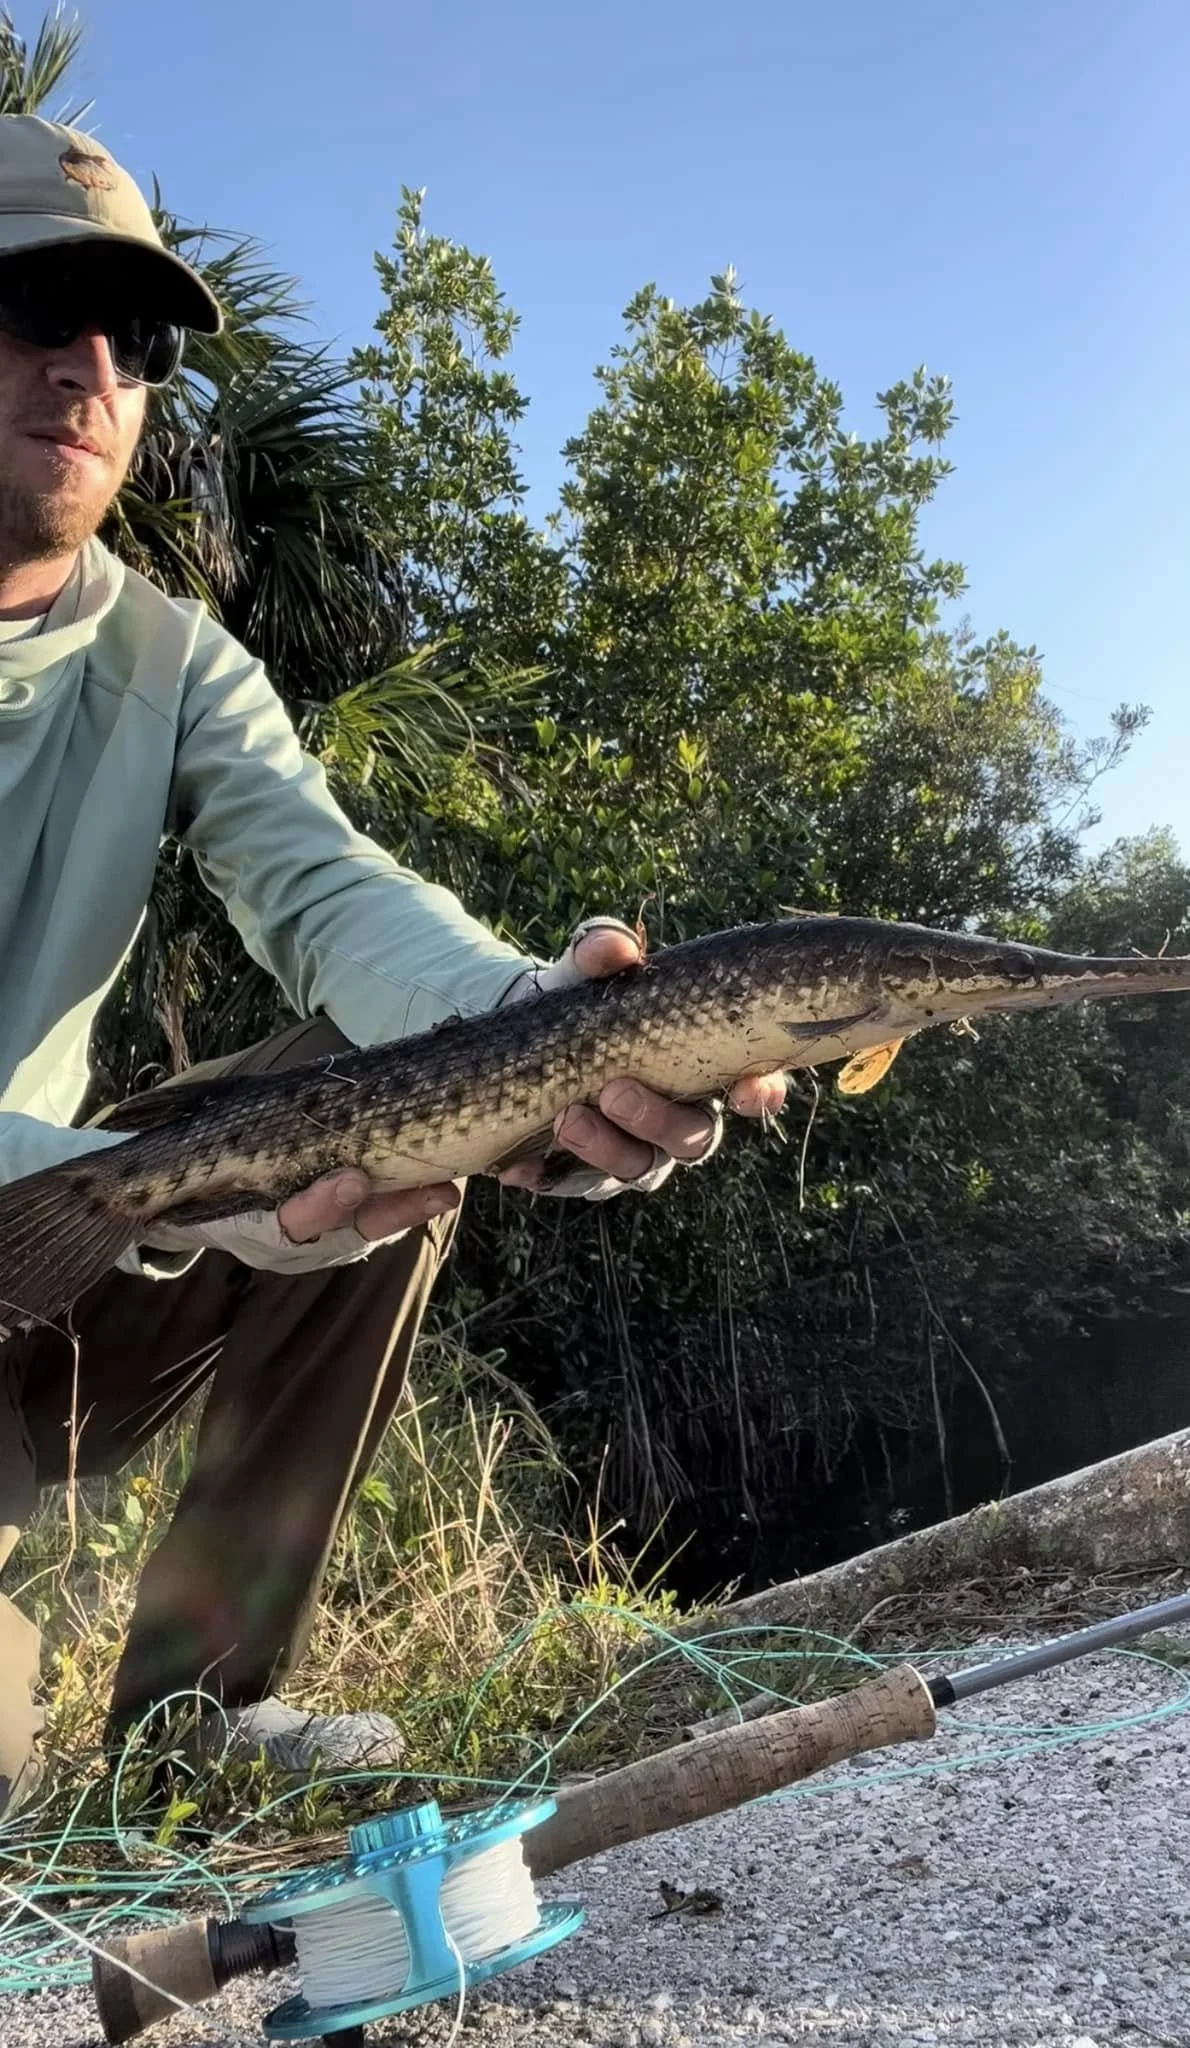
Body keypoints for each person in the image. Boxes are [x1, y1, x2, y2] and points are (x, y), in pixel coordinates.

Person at [0, 115, 787, 1818]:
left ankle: (195, 1718)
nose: (84, 369)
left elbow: (327, 893)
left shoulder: (171, 662)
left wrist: (534, 1023)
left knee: (382, 1120)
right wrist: (134, 1188)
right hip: (56, 1206)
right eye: (34, 307)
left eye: (129, 340)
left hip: (45, 1266)